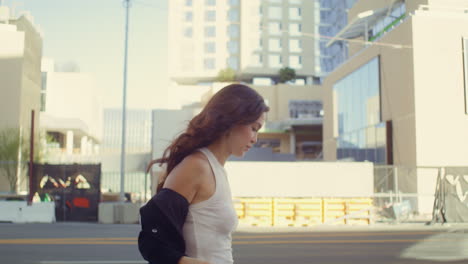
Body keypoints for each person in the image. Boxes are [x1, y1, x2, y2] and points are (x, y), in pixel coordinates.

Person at [138, 84, 269, 264]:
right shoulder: (197, 167)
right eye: (254, 128)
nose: (255, 139)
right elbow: (153, 241)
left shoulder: (217, 169)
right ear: (233, 120)